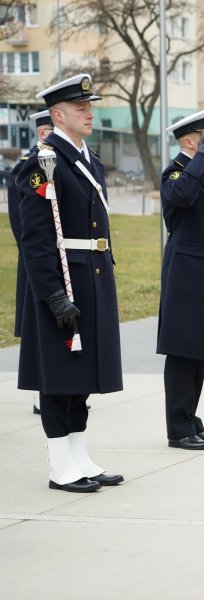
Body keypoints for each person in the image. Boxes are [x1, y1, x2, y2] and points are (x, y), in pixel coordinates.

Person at [17, 73, 124, 492]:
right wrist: (53, 295)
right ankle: (61, 465)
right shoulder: (42, 162)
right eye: (81, 109)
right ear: (58, 115)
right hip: (61, 281)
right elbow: (36, 238)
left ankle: (80, 456)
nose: (89, 113)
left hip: (91, 276)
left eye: (89, 107)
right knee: (59, 379)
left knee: (82, 379)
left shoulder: (86, 160)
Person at [158, 108, 204, 451]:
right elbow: (182, 197)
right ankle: (177, 426)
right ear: (189, 140)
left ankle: (190, 419)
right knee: (182, 350)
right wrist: (202, 160)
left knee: (197, 349)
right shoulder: (175, 173)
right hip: (186, 273)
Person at [9, 109, 54, 416]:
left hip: (61, 256)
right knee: (38, 326)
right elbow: (20, 221)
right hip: (36, 258)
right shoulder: (28, 166)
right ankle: (41, 391)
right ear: (42, 133)